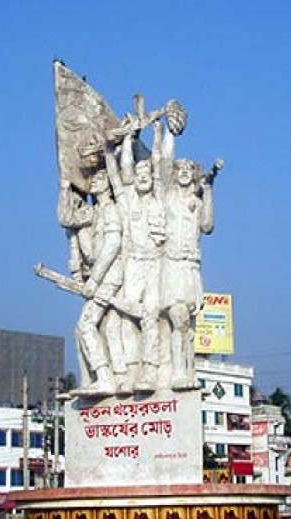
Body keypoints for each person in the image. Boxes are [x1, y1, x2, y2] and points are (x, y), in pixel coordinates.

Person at [154, 119, 216, 390]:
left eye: (188, 170)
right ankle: (177, 373)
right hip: (171, 264)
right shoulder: (167, 196)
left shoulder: (197, 201)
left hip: (191, 267)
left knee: (187, 325)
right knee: (178, 316)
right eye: (180, 169)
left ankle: (186, 370)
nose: (183, 172)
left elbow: (208, 226)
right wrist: (169, 132)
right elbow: (165, 161)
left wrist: (209, 191)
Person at [106, 125, 166, 391]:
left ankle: (151, 372)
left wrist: (158, 135)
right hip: (133, 265)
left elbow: (161, 161)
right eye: (139, 172)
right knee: (126, 318)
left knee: (151, 316)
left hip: (155, 264)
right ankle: (130, 373)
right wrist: (126, 140)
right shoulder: (127, 198)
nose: (142, 176)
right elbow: (120, 174)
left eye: (147, 173)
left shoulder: (160, 198)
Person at [74, 167, 126, 395]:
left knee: (86, 324)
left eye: (97, 179)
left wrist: (94, 280)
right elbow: (92, 252)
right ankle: (98, 377)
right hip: (100, 275)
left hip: (110, 276)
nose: (92, 183)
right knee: (89, 328)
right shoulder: (95, 212)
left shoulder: (111, 210)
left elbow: (113, 245)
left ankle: (105, 377)